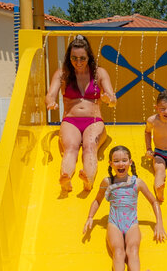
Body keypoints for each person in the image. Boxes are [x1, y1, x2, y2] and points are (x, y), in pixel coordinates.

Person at [83, 145, 166, 271]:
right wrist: (90, 217)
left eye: (124, 160)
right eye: (116, 161)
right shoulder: (107, 182)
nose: (120, 164)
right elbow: (97, 200)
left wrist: (159, 224)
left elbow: (154, 202)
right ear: (110, 164)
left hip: (132, 222)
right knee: (118, 250)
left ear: (130, 162)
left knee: (133, 249)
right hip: (114, 222)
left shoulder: (137, 182)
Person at [45, 35, 116, 195]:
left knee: (90, 147)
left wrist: (107, 99)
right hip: (70, 121)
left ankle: (88, 181)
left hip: (94, 121)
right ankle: (66, 179)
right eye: (74, 58)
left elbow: (113, 100)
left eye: (82, 58)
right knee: (70, 148)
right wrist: (50, 102)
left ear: (89, 57)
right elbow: (50, 94)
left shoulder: (99, 73)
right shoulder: (62, 74)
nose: (78, 62)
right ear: (69, 57)